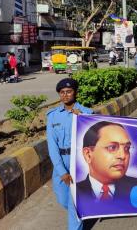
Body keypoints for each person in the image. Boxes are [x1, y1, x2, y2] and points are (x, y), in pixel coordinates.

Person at [46, 78, 93, 230]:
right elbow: (52, 145)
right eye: (62, 92)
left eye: (69, 91)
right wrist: (61, 171)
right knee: (62, 198)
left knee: (75, 203)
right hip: (61, 159)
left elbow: (94, 137)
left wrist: (83, 118)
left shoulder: (87, 112)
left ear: (75, 92)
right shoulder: (52, 116)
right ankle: (82, 212)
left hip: (79, 161)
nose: (65, 95)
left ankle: (77, 219)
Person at [77, 121, 137, 204]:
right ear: (88, 154)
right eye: (112, 147)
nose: (122, 156)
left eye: (127, 148)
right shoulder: (75, 192)